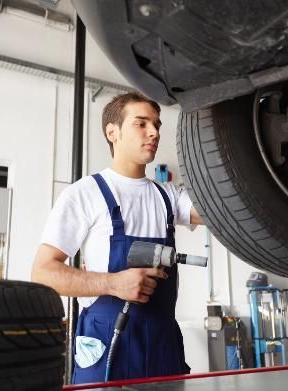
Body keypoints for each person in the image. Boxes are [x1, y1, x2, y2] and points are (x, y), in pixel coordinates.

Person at [31, 92, 203, 384]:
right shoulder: (85, 193)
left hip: (162, 345)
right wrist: (113, 283)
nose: (154, 132)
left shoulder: (168, 196)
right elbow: (43, 273)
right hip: (107, 342)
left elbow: (224, 213)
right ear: (113, 132)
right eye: (141, 123)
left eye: (157, 125)